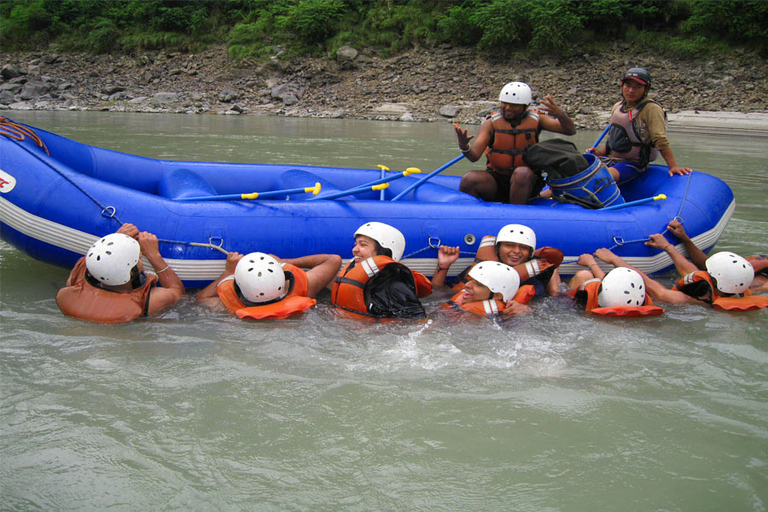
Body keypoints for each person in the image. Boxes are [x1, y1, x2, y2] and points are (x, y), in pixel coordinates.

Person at [454, 81, 576, 204]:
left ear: (525, 106)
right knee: (469, 179)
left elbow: (570, 130)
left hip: (526, 181)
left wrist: (561, 115)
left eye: (514, 105)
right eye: (505, 103)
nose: (508, 108)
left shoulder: (537, 119)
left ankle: (516, 214)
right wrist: (464, 146)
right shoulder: (490, 123)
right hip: (498, 179)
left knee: (522, 173)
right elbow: (474, 156)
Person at [56, 223, 185, 323]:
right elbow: (177, 292)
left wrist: (116, 241)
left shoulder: (77, 278)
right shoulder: (151, 302)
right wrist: (153, 255)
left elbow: (99, 258)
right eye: (139, 258)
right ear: (132, 273)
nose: (140, 255)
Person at [587, 67, 692, 184]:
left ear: (646, 89)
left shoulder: (651, 109)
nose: (631, 90)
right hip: (609, 159)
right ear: (622, 86)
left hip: (632, 164)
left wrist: (673, 166)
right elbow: (614, 136)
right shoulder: (618, 106)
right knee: (574, 167)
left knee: (601, 177)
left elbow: (660, 139)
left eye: (637, 87)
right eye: (628, 85)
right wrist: (601, 153)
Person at [592, 246, 768, 312]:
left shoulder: (686, 299)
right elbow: (695, 274)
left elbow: (651, 284)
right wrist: (668, 247)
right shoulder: (740, 292)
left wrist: (614, 259)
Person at [197, 251, 341, 320]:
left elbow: (201, 298)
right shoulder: (306, 289)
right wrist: (285, 260)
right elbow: (332, 260)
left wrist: (227, 272)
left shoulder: (227, 306)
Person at [331, 222, 432, 320]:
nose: (354, 250)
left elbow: (420, 322)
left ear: (383, 252)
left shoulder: (395, 287)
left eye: (363, 245)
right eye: (355, 245)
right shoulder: (362, 281)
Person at [433, 223, 562, 299]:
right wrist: (444, 266)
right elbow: (438, 293)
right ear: (498, 248)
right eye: (510, 245)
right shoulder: (479, 269)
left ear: (530, 254)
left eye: (523, 248)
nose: (517, 251)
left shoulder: (532, 283)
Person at [658, 219, 768, 292]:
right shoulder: (757, 265)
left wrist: (668, 247)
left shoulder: (761, 284)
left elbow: (700, 279)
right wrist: (684, 239)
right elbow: (708, 266)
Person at [567, 252, 664, 317]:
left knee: (583, 275)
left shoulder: (587, 298)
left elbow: (558, 295)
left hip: (582, 315)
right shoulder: (642, 304)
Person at [438, 259, 532, 318]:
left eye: (478, 284)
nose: (466, 285)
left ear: (497, 296)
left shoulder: (504, 318)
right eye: (470, 280)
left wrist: (528, 312)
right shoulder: (461, 301)